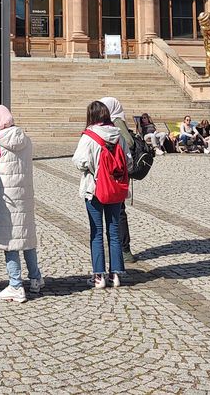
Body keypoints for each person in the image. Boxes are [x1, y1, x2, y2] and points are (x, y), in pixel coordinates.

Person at [0, 105, 42, 304]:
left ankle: (16, 285)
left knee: (10, 240)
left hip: (7, 198)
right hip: (24, 194)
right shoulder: (25, 139)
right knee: (26, 237)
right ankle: (36, 278)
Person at [73, 100, 132, 289]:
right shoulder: (118, 135)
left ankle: (99, 276)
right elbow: (128, 161)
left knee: (96, 232)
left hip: (94, 188)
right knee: (114, 231)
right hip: (115, 188)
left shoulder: (89, 136)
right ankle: (116, 274)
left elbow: (79, 161)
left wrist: (94, 169)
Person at [97, 97, 136, 264]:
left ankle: (123, 250)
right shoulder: (113, 122)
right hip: (115, 174)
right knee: (116, 212)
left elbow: (129, 142)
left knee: (117, 213)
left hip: (113, 175)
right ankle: (119, 250)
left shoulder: (116, 122)